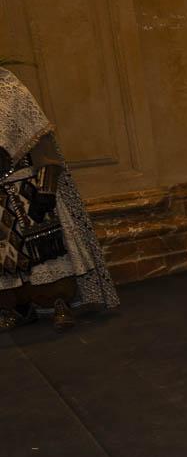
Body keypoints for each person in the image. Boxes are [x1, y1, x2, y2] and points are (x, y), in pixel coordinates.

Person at [1, 66, 119, 331]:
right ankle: (19, 307)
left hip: (27, 189)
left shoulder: (12, 91)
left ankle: (58, 302)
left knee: (47, 251)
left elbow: (42, 146)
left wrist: (46, 190)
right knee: (9, 258)